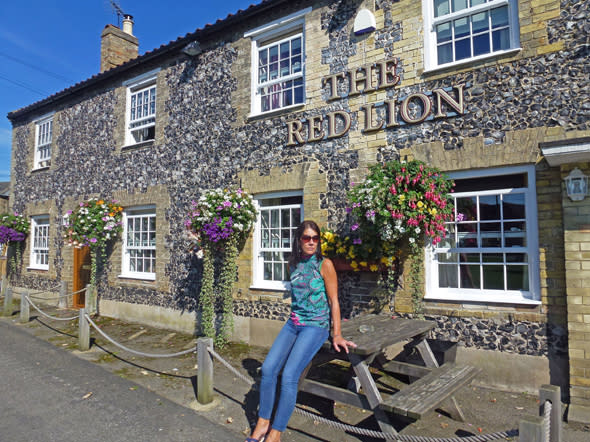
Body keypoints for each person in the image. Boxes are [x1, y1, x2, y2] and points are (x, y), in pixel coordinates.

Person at [246, 220, 356, 442]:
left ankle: (276, 432)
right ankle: (263, 422)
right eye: (307, 238)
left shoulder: (324, 264)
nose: (311, 242)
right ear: (299, 240)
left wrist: (336, 333)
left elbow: (334, 301)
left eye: (315, 238)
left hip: (315, 326)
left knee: (289, 375)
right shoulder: (293, 263)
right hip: (294, 323)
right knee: (267, 370)